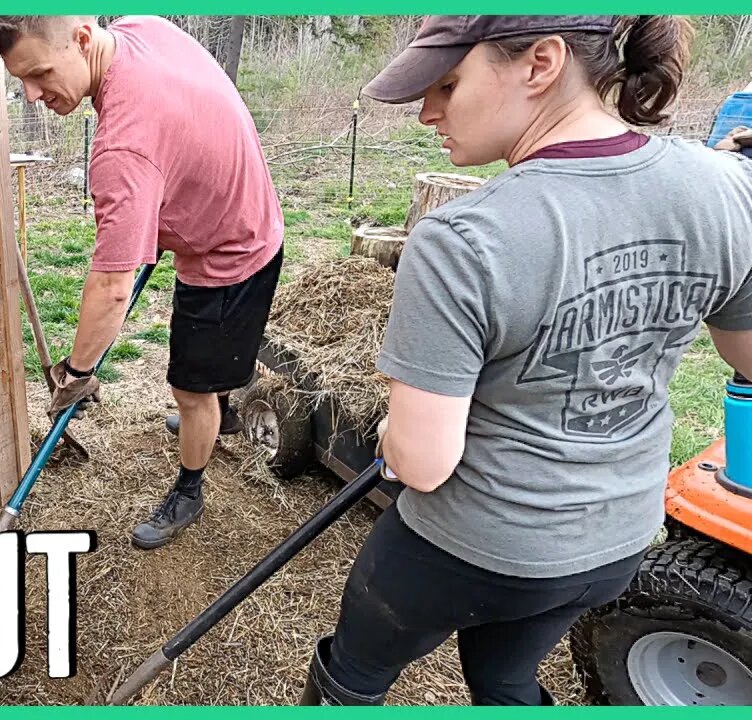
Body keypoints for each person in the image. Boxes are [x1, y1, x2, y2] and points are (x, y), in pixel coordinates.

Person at [299, 15, 752, 706]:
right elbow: (744, 355)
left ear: (541, 63)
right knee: (506, 677)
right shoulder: (726, 189)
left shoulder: (463, 238)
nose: (427, 112)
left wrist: (394, 431)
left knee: (355, 672)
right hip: (617, 539)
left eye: (448, 84)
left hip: (471, 547)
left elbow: (422, 463)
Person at [0, 16, 285, 549]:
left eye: (38, 74)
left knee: (189, 388)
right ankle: (214, 410)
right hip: (221, 204)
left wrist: (76, 372)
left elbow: (112, 287)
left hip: (233, 249)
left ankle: (191, 488)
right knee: (205, 371)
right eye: (20, 81)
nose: (31, 96)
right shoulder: (136, 29)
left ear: (81, 39)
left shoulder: (123, 150)